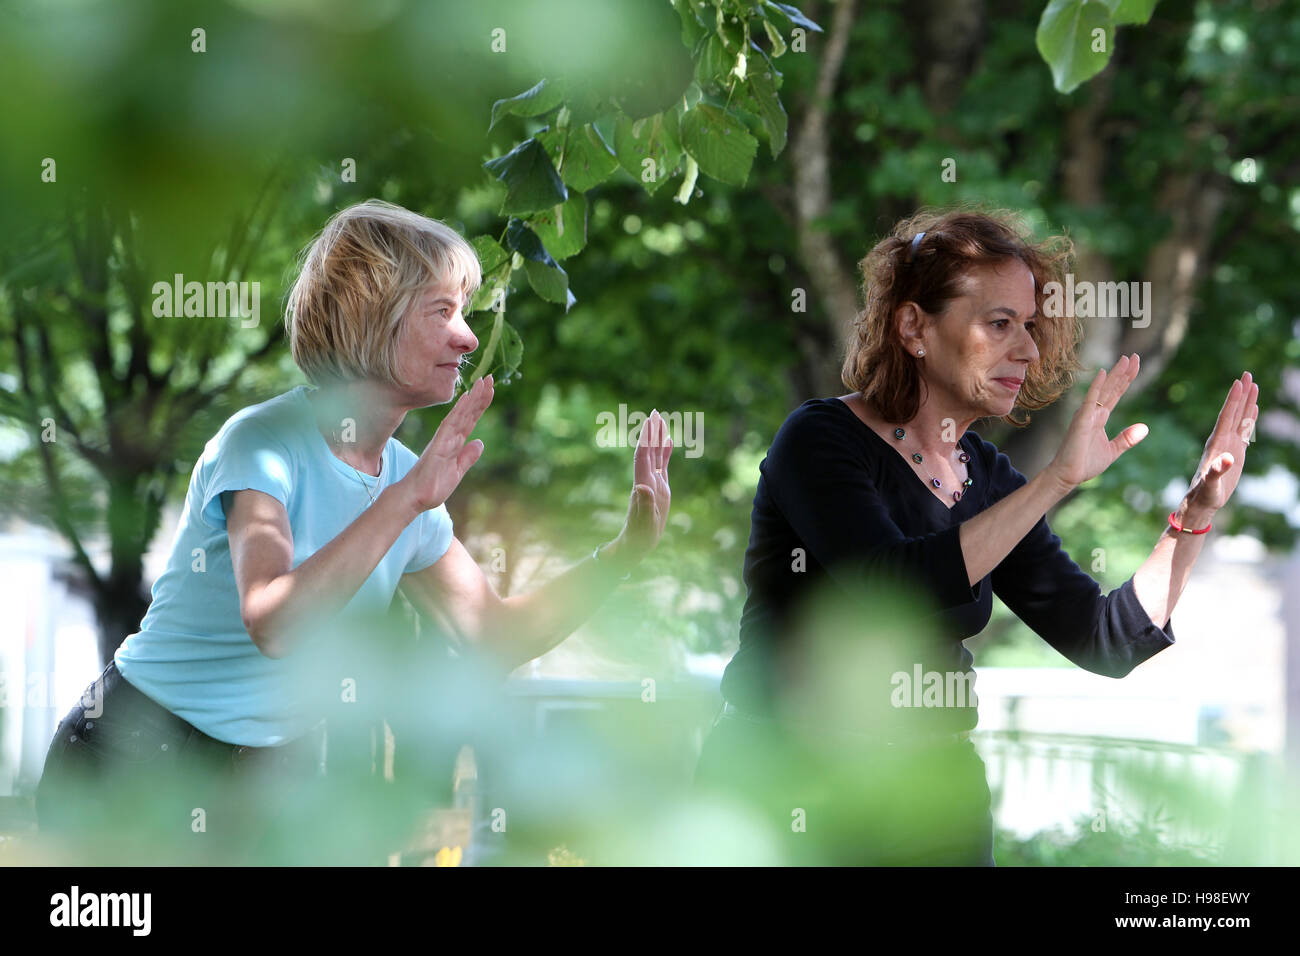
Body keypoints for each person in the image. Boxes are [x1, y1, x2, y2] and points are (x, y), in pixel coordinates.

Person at [35, 199, 674, 863]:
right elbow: (273, 621)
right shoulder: (263, 446)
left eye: (466, 314)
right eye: (442, 311)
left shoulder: (407, 483)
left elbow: (494, 635)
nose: (469, 339)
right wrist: (404, 501)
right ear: (375, 318)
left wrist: (621, 555)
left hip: (252, 786)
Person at [693, 207, 1260, 866]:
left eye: (1029, 327)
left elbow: (1104, 638)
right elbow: (894, 584)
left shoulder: (988, 478)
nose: (1026, 348)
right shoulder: (820, 439)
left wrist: (1192, 517)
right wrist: (1055, 482)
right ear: (914, 326)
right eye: (998, 324)